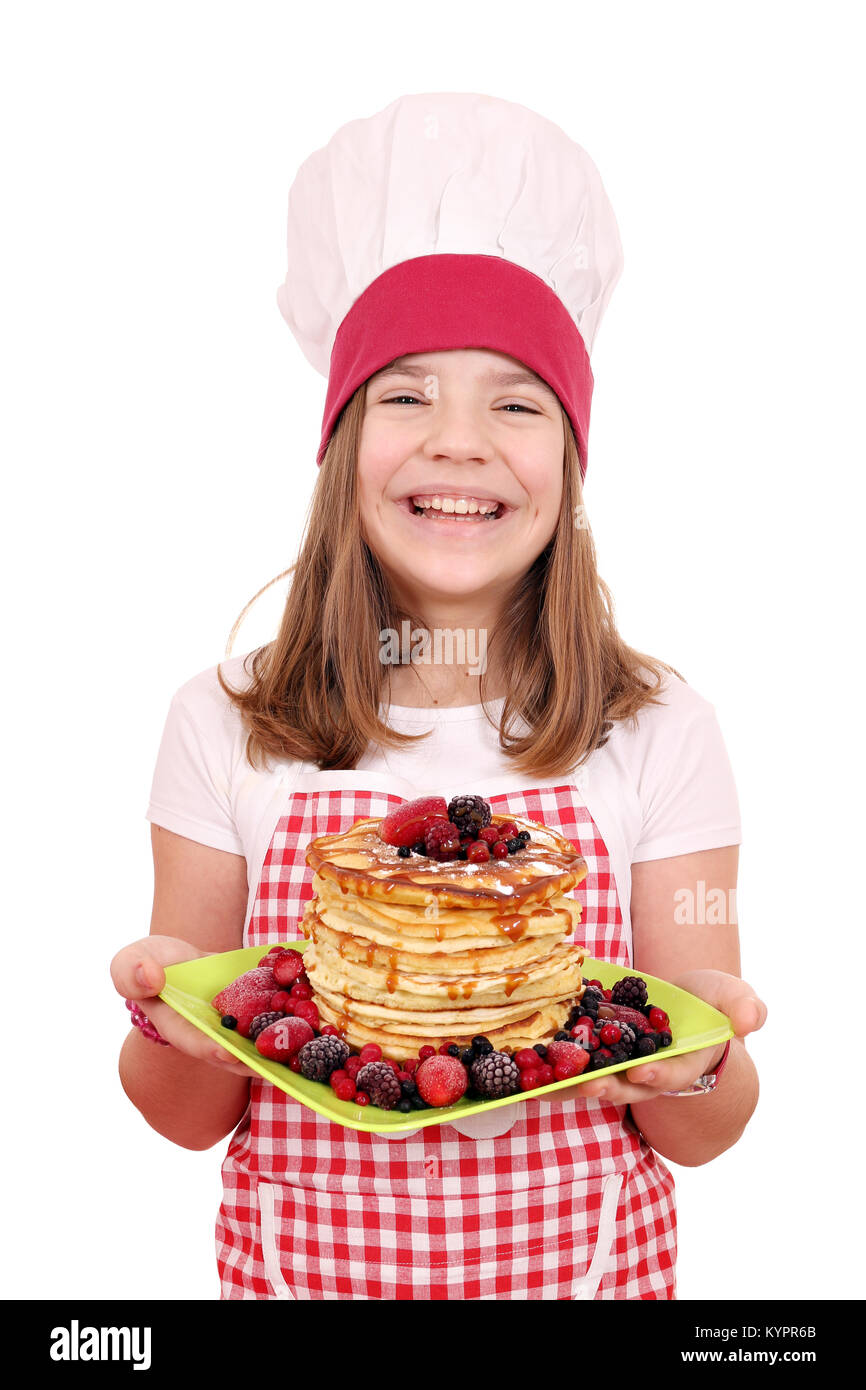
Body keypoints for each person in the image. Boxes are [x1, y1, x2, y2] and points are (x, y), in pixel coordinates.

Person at [111, 93, 766, 1300]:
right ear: (340, 444)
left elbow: (700, 1127)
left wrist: (700, 1058)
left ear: (567, 462)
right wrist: (173, 1015)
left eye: (514, 401)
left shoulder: (662, 729)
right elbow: (187, 1116)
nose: (458, 440)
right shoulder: (223, 721)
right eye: (405, 393)